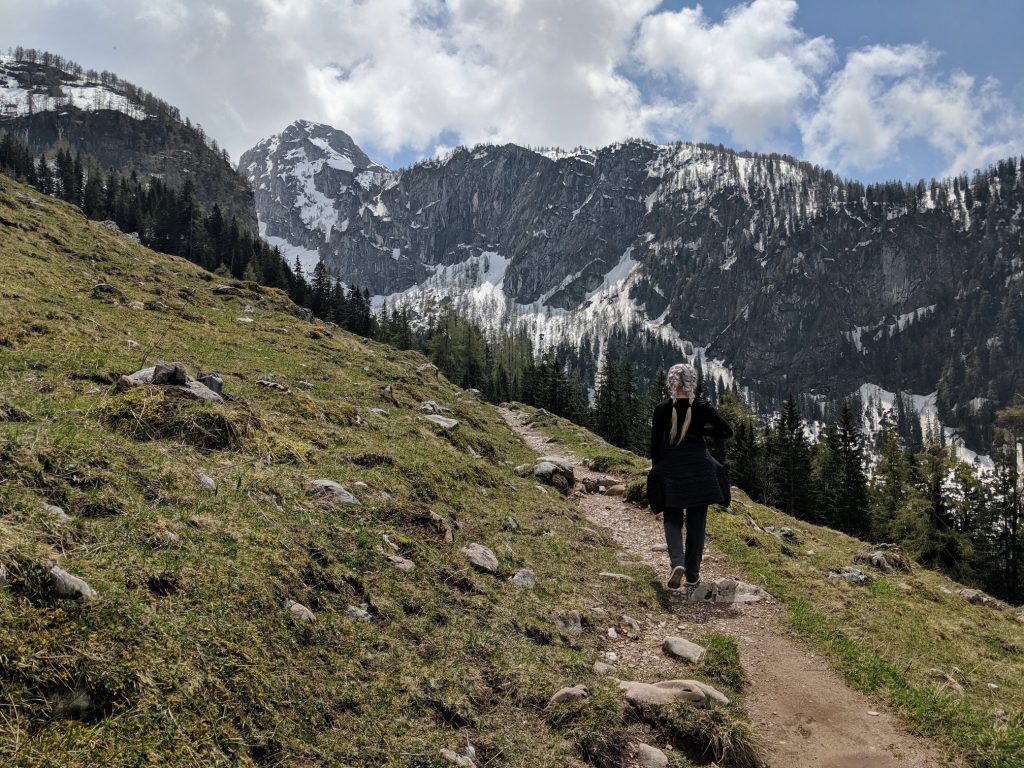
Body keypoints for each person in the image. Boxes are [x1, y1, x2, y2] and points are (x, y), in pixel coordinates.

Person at [650, 363, 733, 589]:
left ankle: (677, 562)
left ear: (672, 382)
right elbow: (727, 431)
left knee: (672, 518)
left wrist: (658, 474)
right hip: (700, 470)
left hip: (672, 469)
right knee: (697, 522)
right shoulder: (702, 407)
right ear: (692, 382)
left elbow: (655, 446)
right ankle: (693, 575)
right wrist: (700, 430)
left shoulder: (662, 408)